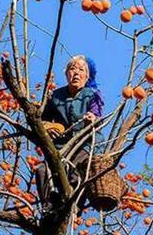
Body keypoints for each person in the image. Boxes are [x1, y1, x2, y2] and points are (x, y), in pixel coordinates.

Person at [36, 55, 105, 215]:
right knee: (42, 171)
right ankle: (49, 207)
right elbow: (42, 119)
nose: (76, 73)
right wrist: (47, 127)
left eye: (81, 70)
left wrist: (91, 119)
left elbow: (96, 114)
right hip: (62, 145)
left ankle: (74, 204)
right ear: (66, 74)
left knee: (77, 170)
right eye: (72, 69)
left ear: (87, 76)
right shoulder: (55, 96)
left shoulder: (92, 94)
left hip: (86, 143)